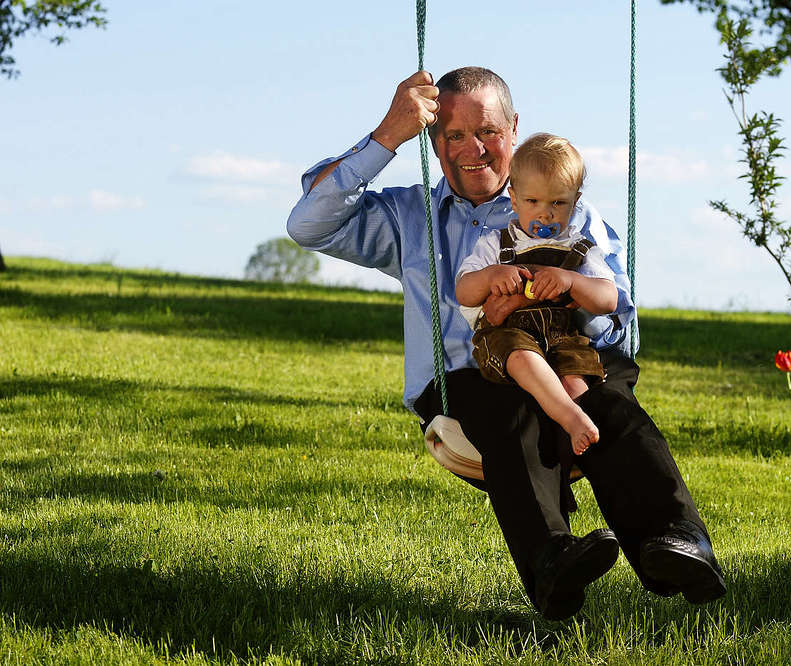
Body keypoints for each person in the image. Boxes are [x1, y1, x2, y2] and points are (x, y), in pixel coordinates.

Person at [287, 66, 726, 620]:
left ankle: (676, 543)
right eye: (452, 135)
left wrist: (555, 300)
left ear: (514, 127)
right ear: (433, 139)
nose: (473, 149)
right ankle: (552, 562)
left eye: (488, 131)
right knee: (506, 409)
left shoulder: (560, 204)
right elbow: (309, 224)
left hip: (571, 358)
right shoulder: (408, 216)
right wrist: (386, 137)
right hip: (469, 380)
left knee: (608, 402)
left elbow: (619, 313)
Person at [456, 133, 616, 455]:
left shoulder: (581, 248)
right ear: (513, 200)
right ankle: (571, 418)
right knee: (521, 354)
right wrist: (490, 276)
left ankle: (572, 436)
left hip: (561, 337)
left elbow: (607, 300)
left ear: (576, 200)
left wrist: (572, 280)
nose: (545, 215)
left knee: (576, 382)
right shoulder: (496, 244)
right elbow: (464, 292)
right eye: (533, 202)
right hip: (508, 338)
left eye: (558, 203)